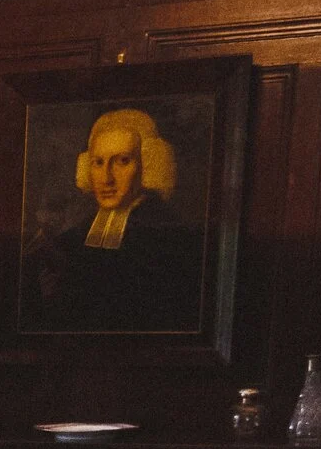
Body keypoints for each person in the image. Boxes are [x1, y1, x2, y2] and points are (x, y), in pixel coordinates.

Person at [20, 106, 204, 334]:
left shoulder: (174, 238)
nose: (106, 177)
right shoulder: (71, 239)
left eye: (122, 161)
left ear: (147, 164)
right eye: (98, 162)